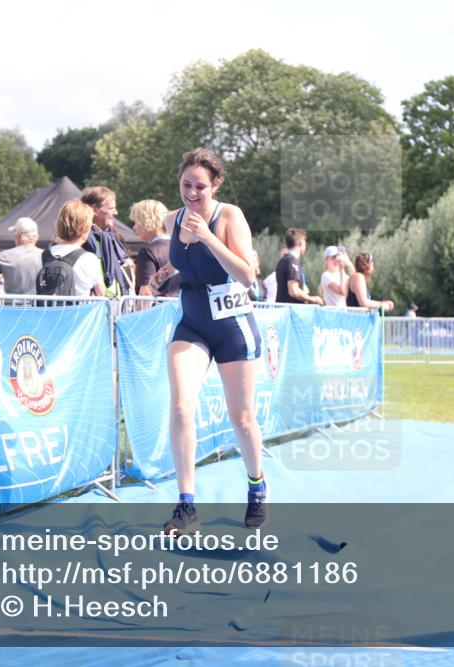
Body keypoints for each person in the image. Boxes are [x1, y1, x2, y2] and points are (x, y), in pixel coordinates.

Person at [163, 147, 266, 535]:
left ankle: (256, 485)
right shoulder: (173, 219)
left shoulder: (229, 216)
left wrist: (207, 237)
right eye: (186, 184)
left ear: (216, 185)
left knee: (242, 419)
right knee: (180, 407)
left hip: (232, 327)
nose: (191, 193)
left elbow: (247, 275)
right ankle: (186, 505)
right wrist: (164, 272)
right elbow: (183, 260)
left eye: (200, 187)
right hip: (192, 324)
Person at [40, 200, 105, 297]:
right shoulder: (89, 258)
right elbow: (101, 293)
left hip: (48, 307)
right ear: (85, 228)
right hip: (79, 306)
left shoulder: (44, 254)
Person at [81, 186, 134, 296]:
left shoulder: (113, 237)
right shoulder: (83, 238)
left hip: (117, 300)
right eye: (111, 208)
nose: (116, 212)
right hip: (97, 301)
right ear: (95, 210)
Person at [130, 199, 179, 298]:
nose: (134, 227)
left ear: (146, 222)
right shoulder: (181, 246)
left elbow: (146, 293)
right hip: (183, 305)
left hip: (158, 307)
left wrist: (138, 309)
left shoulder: (148, 251)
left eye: (136, 222)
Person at [0, 217, 44, 295]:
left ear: (18, 236)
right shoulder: (46, 256)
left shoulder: (5, 256)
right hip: (39, 302)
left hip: (11, 302)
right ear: (36, 237)